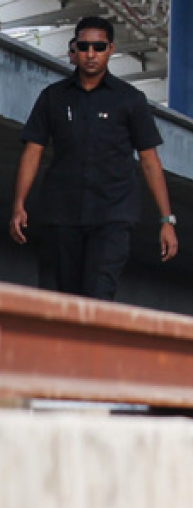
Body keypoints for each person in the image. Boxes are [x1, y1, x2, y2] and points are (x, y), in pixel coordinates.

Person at [9, 15, 178, 300]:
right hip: (62, 213)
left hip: (112, 214)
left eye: (98, 47)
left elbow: (150, 160)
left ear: (110, 49)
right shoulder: (53, 97)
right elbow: (33, 151)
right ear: (74, 48)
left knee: (98, 293)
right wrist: (19, 204)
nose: (91, 54)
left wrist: (166, 220)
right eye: (85, 46)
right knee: (65, 298)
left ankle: (94, 343)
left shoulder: (130, 100)